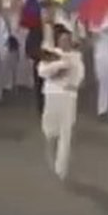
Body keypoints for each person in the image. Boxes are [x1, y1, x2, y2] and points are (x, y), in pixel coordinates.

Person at [37, 24, 85, 181]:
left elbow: (79, 76)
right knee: (50, 133)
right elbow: (42, 71)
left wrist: (71, 82)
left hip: (69, 98)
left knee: (66, 133)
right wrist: (60, 65)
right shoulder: (51, 54)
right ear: (58, 41)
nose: (65, 42)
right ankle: (51, 159)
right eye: (62, 39)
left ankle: (61, 169)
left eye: (68, 40)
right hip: (52, 96)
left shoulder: (76, 57)